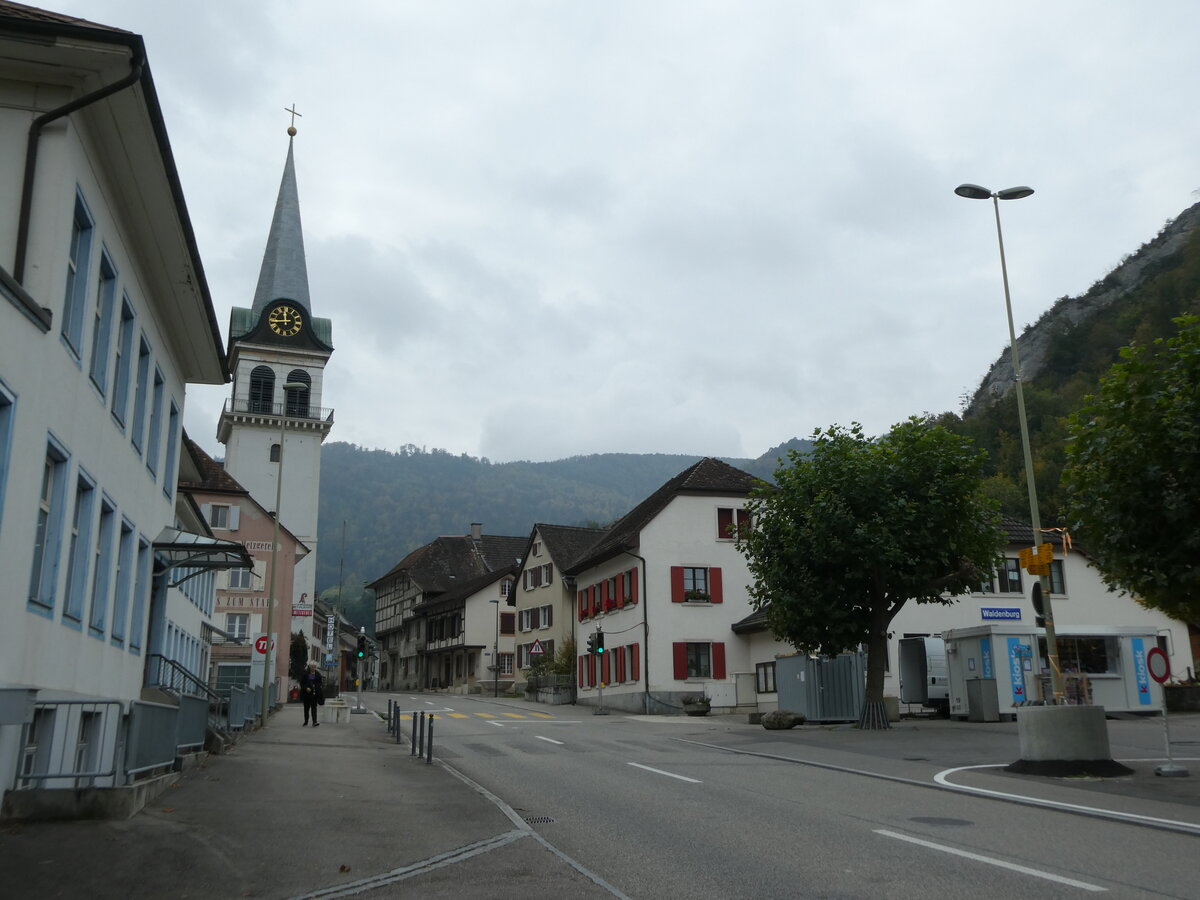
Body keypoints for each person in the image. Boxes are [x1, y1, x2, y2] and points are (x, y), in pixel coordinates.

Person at [300, 660, 323, 726]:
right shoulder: (305, 674)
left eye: (315, 667)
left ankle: (314, 722)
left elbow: (320, 683)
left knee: (314, 708)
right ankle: (306, 721)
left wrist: (317, 686)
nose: (313, 668)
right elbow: (302, 683)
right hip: (306, 694)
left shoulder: (318, 674)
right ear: (309, 667)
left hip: (314, 694)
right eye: (312, 667)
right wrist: (306, 688)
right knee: (306, 709)